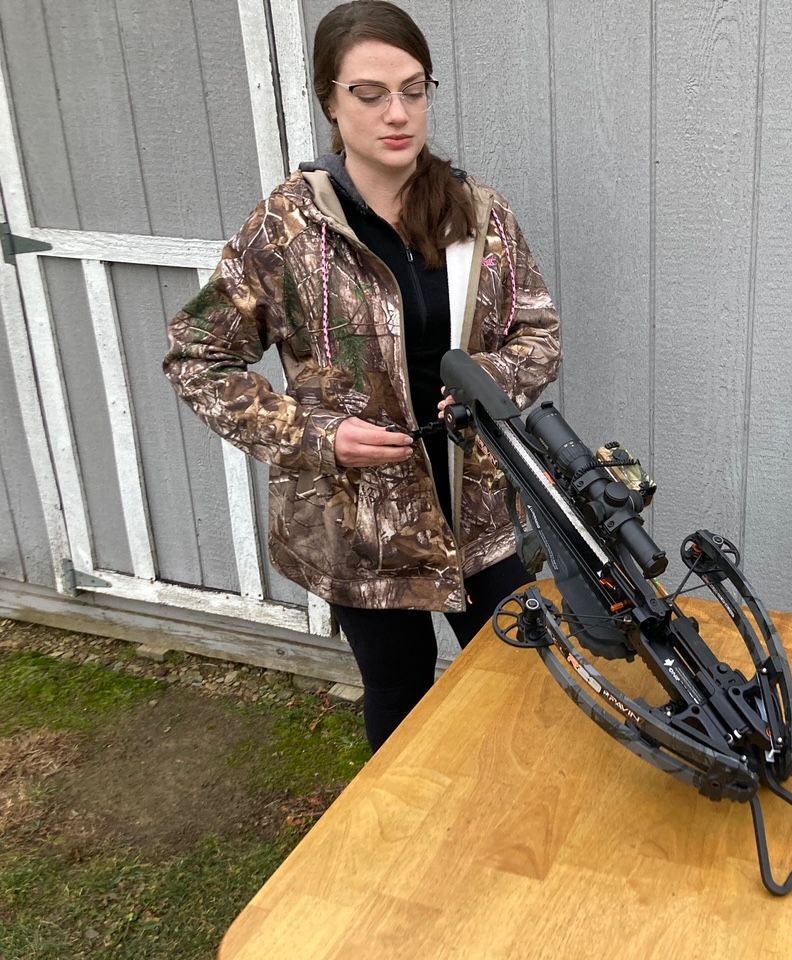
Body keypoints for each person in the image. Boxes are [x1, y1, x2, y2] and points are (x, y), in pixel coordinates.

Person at [163, 0, 559, 752]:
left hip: (475, 502)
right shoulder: (286, 228)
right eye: (369, 94)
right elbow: (198, 356)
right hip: (361, 523)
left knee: (517, 673)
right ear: (330, 102)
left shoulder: (478, 214)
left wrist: (494, 375)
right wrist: (317, 436)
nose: (397, 113)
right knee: (399, 686)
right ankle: (400, 847)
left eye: (414, 89)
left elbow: (537, 332)